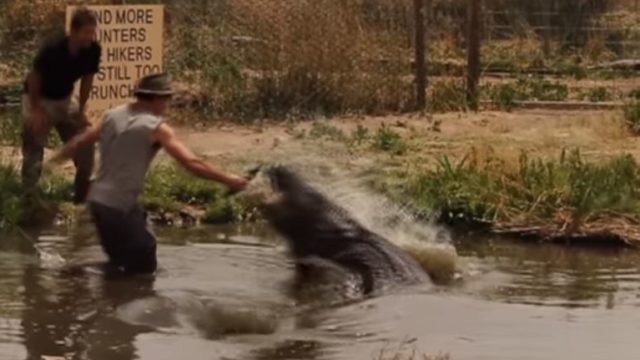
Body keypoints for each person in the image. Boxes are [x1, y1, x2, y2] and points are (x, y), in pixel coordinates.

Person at [48, 72, 249, 276]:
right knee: (144, 266)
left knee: (120, 264)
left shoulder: (112, 115)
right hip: (121, 205)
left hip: (98, 203)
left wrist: (52, 162)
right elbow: (191, 163)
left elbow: (80, 141)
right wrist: (228, 179)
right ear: (157, 99)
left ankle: (85, 284)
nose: (167, 104)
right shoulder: (157, 128)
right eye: (167, 99)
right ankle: (76, 275)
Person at [22, 7, 101, 204]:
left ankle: (81, 198)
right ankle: (29, 198)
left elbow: (87, 79)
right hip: (39, 97)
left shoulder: (93, 49)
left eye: (93, 32)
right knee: (34, 145)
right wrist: (36, 109)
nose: (90, 37)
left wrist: (82, 110)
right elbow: (34, 78)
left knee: (85, 141)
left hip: (66, 98)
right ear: (73, 31)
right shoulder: (53, 48)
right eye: (86, 33)